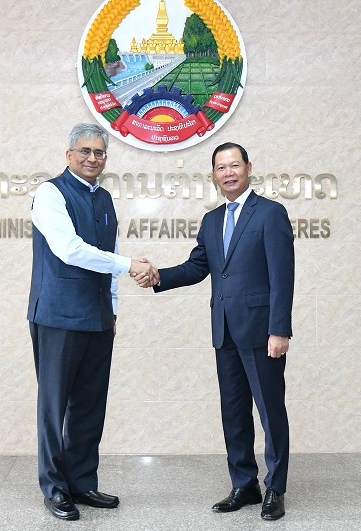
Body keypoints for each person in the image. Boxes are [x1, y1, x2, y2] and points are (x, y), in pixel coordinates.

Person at [139, 142, 294, 520]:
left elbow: (282, 276)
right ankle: (245, 484)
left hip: (262, 332)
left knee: (270, 412)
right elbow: (197, 268)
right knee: (234, 412)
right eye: (221, 167)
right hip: (224, 330)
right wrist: (160, 276)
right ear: (214, 175)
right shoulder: (212, 221)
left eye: (234, 165)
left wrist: (280, 330)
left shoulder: (271, 214)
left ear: (248, 168)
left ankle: (275, 488)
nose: (228, 172)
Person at [28, 123, 158, 521]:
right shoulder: (50, 193)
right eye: (85, 151)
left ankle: (82, 482)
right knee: (55, 407)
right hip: (58, 317)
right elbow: (70, 250)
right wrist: (129, 266)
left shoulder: (103, 198)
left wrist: (113, 307)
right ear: (69, 155)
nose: (92, 158)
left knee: (89, 406)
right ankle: (55, 488)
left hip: (98, 317)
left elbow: (110, 250)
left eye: (99, 153)